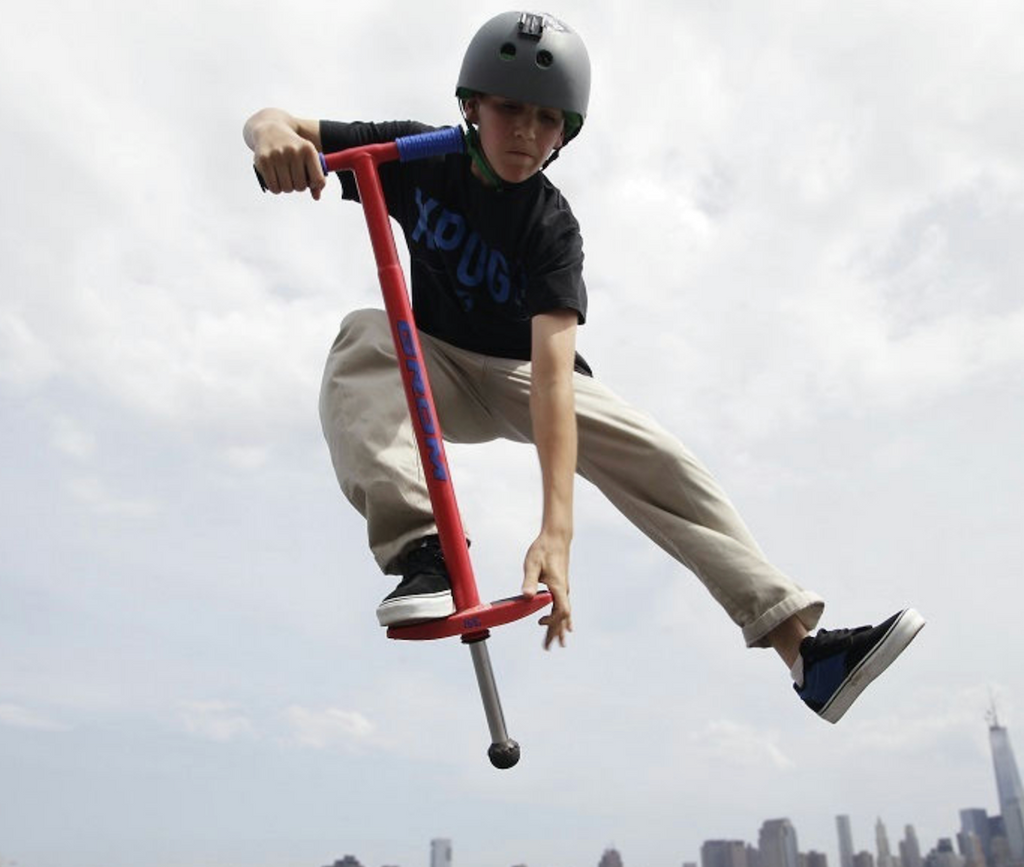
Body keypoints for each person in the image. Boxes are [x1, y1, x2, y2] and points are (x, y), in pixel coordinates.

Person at [243, 10, 924, 723]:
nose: (526, 133)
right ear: (470, 106)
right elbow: (274, 119)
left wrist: (556, 533)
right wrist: (271, 138)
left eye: (547, 119)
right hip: (432, 365)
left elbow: (552, 377)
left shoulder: (551, 226)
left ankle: (805, 651)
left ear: (566, 132)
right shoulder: (420, 155)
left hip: (523, 376)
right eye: (509, 109)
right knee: (362, 336)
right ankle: (425, 552)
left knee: (659, 457)